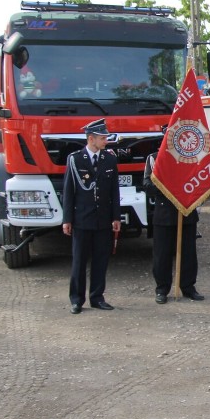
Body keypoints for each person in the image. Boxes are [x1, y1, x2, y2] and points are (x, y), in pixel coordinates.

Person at [62, 118, 121, 314]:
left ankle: (97, 297)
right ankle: (77, 299)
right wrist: (67, 219)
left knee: (101, 260)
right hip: (82, 219)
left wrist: (116, 217)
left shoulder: (110, 159)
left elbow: (114, 191)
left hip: (103, 219)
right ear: (91, 139)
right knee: (79, 261)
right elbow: (69, 191)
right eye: (102, 138)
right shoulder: (75, 159)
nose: (106, 141)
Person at [143, 125, 204, 304]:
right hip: (164, 214)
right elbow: (147, 185)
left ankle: (188, 287)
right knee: (162, 254)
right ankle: (162, 289)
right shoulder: (154, 159)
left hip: (186, 212)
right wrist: (169, 188)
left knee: (188, 253)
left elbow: (199, 181)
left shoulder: (190, 159)